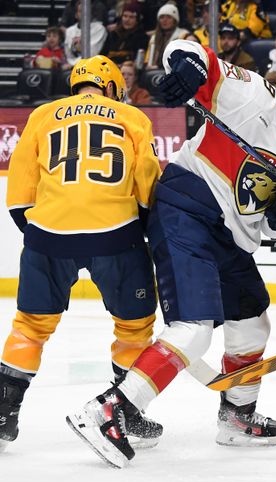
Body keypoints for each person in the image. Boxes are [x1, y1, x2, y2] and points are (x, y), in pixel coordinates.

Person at [67, 41, 276, 468]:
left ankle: (237, 418)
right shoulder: (248, 93)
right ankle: (108, 411)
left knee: (252, 325)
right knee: (194, 329)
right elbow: (186, 50)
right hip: (187, 207)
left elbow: (273, 224)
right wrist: (189, 70)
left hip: (232, 239)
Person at [0, 56, 162, 453]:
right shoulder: (131, 116)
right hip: (116, 234)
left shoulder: (41, 115)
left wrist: (44, 234)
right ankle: (123, 411)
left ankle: (3, 412)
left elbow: (21, 188)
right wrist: (135, 231)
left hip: (48, 233)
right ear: (109, 86)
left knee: (30, 326)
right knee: (134, 324)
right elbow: (146, 182)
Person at [144, 2, 190, 70]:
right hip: (153, 71)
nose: (165, 20)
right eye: (162, 17)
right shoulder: (154, 38)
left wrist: (159, 67)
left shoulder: (183, 35)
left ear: (175, 20)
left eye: (169, 17)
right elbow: (147, 60)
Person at [63, 0, 108, 69]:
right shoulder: (69, 31)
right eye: (81, 11)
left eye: (87, 11)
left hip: (93, 67)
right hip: (72, 67)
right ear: (76, 15)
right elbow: (69, 55)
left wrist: (73, 65)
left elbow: (91, 54)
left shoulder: (99, 29)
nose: (84, 13)